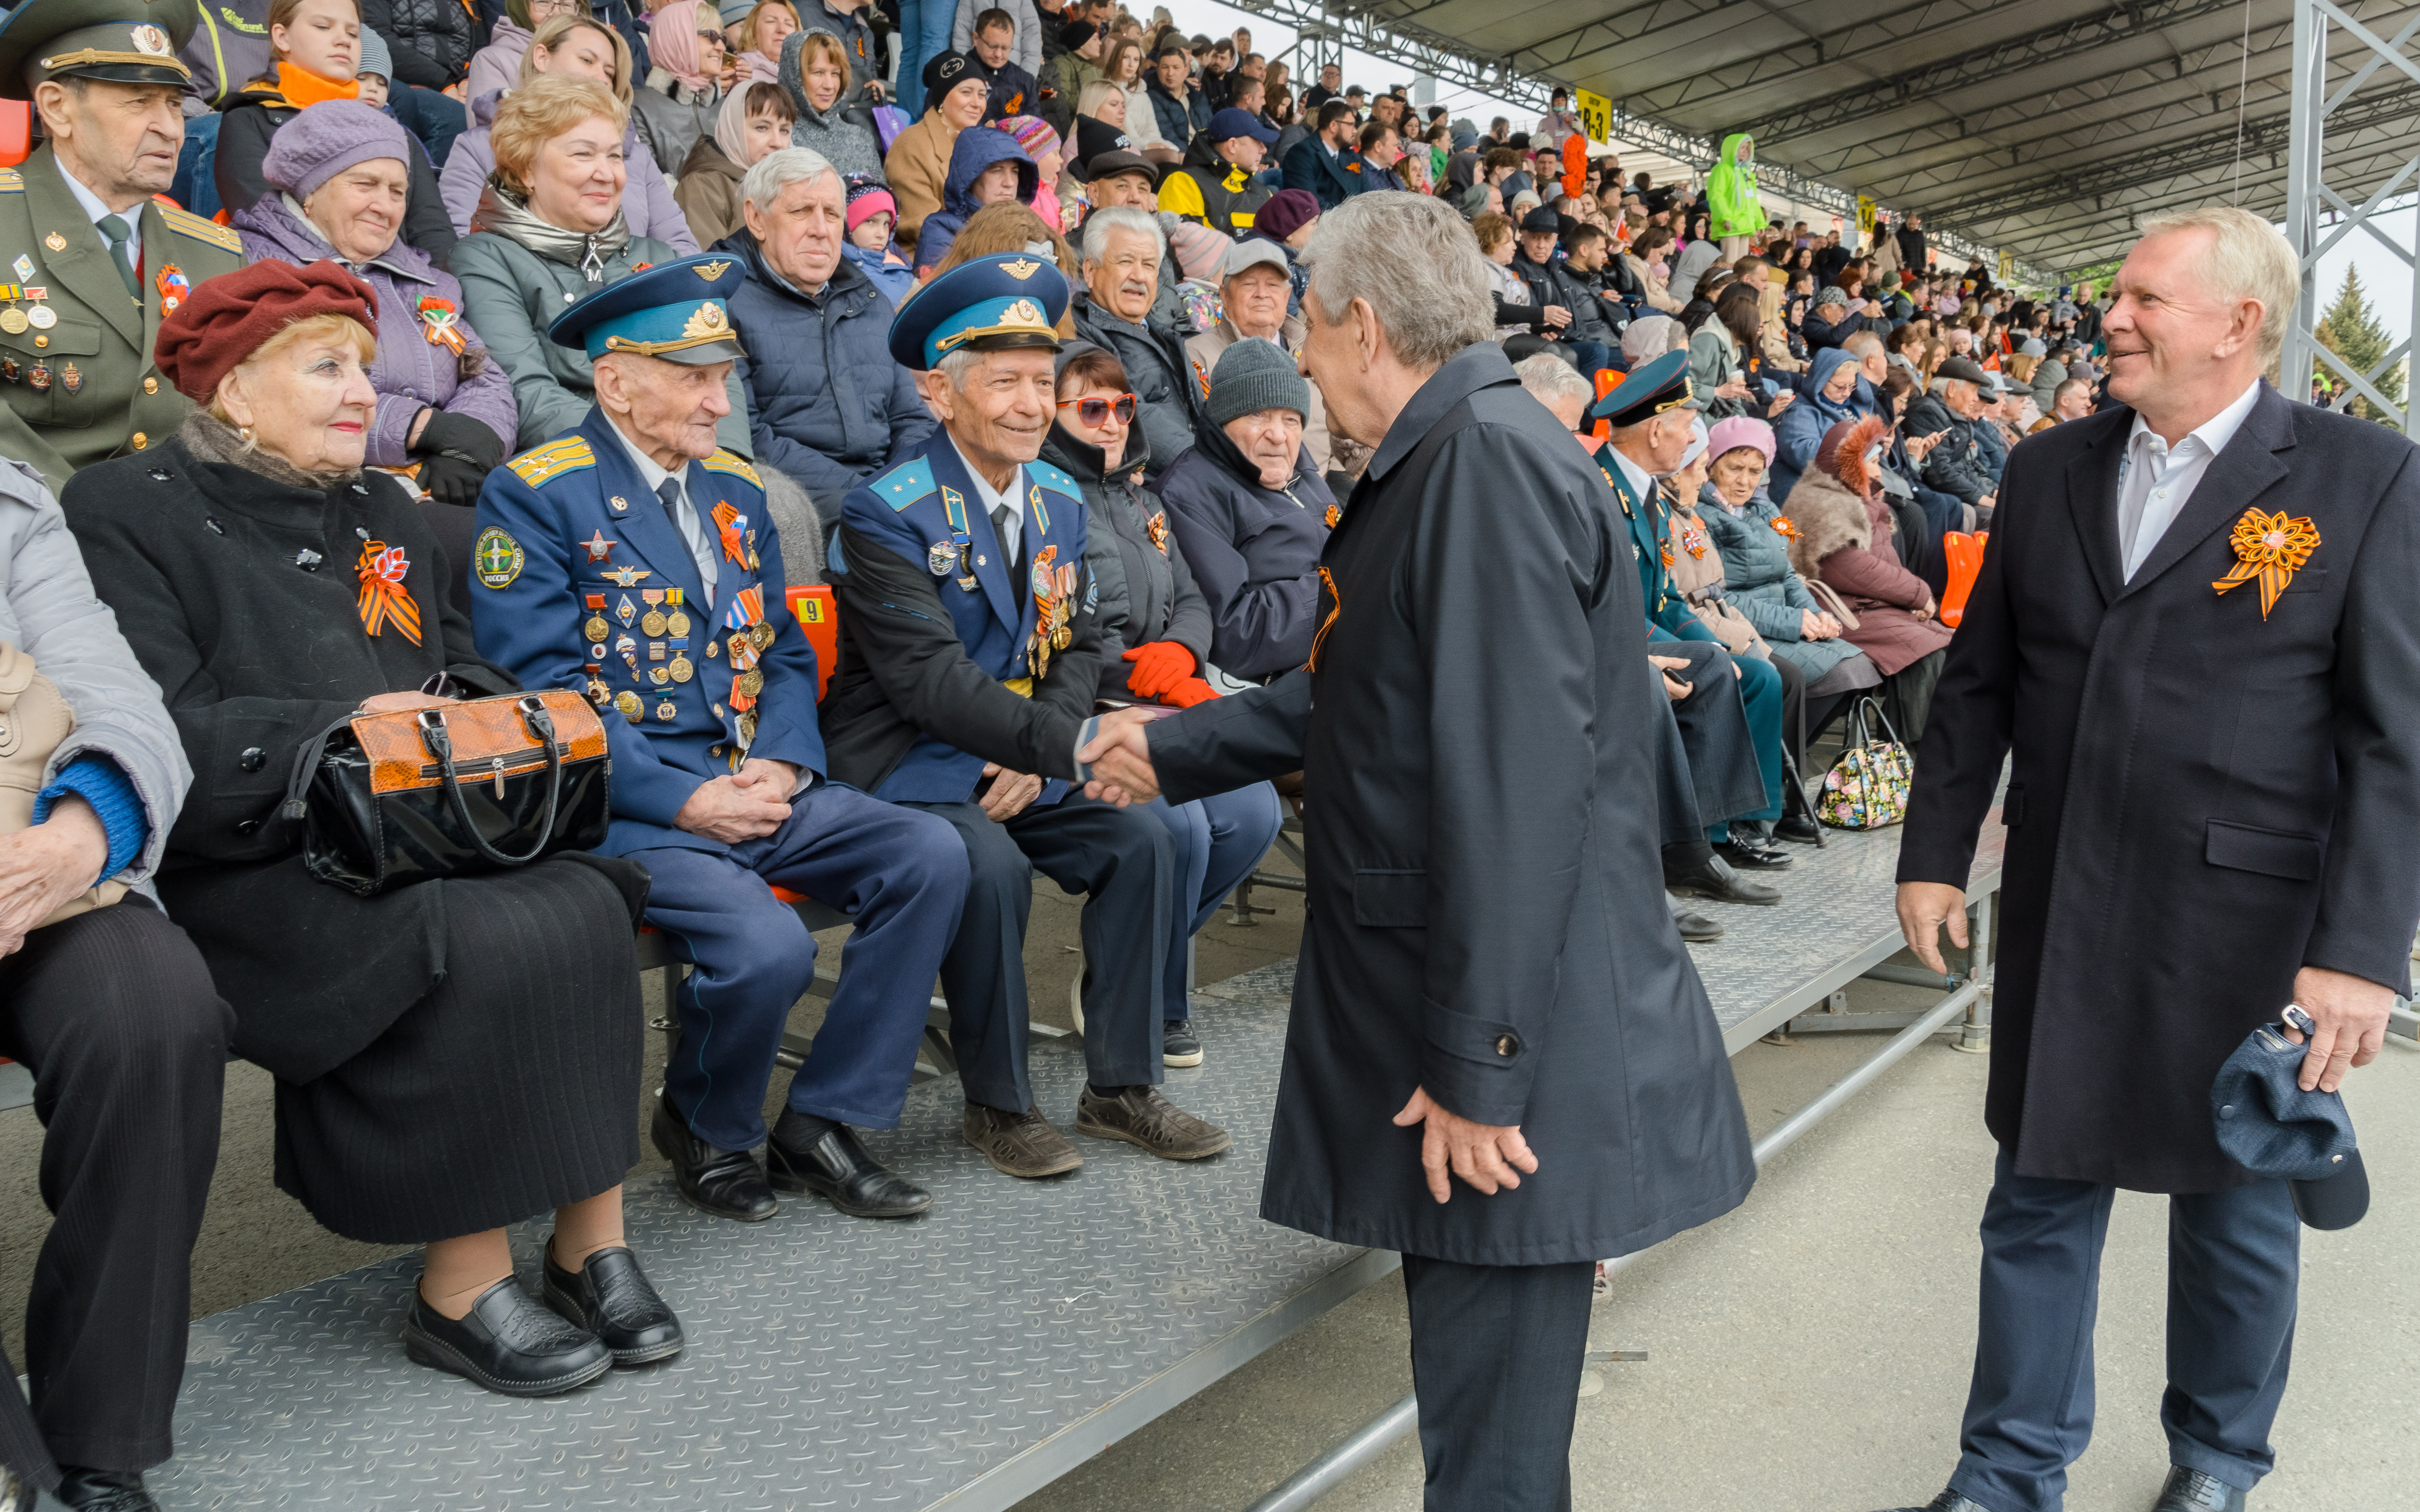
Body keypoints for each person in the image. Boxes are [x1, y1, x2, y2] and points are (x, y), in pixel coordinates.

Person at [1078, 192, 1756, 1512]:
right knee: (1482, 1419)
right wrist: (1171, 750)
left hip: (1504, 1033)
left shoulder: (1479, 470)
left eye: (1309, 340)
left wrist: (1479, 1069)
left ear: (1363, 325)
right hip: (1500, 1005)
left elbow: (1513, 790)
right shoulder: (1463, 453)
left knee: (1491, 1451)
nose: (1300, 371)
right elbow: (1369, 694)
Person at [1879, 206, 2420, 1512]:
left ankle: (2218, 1464)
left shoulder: (2362, 477)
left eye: (2140, 299)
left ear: (2238, 323)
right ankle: (2007, 1473)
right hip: (2065, 900)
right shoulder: (2049, 466)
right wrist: (1934, 852)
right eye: (2112, 296)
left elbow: (2396, 738)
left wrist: (2357, 954)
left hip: (2245, 930)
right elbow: (1978, 687)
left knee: (2233, 1217)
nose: (2107, 318)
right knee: (2035, 1194)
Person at [67, 258, 684, 1401]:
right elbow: (149, 728)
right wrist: (339, 724)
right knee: (479, 936)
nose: (364, 391)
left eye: (364, 364)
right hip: (252, 848)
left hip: (409, 823)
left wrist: (489, 711)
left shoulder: (380, 502)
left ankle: (588, 1241)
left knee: (592, 899)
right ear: (233, 390)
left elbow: (451, 655)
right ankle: (459, 1288)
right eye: (328, 367)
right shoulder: (122, 509)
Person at [467, 254, 965, 1226]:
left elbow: (779, 651)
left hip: (750, 773)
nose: (716, 396)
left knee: (929, 853)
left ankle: (822, 1120)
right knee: (767, 945)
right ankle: (709, 1124)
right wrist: (687, 799)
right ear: (615, 380)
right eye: (691, 374)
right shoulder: (537, 494)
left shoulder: (734, 492)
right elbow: (548, 697)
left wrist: (782, 760)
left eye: (722, 373)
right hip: (628, 803)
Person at [821, 253, 1234, 1179]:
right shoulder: (884, 512)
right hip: (913, 756)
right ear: (938, 393)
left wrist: (1046, 757)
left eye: (1041, 383)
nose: (1027, 404)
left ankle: (1119, 1088)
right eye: (1001, 382)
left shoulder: (1055, 495)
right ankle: (998, 1104)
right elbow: (928, 682)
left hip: (1025, 751)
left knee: (1145, 840)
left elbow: (1080, 639)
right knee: (992, 869)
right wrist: (1064, 744)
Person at [0, 453, 229, 1512]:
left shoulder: (11, 502)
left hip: (28, 871)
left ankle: (102, 1433)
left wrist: (81, 836)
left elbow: (108, 685)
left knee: (153, 1009)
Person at [1041, 340, 1279, 1067]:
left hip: (1164, 694)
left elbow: (1193, 599)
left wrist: (1180, 654)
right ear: (1052, 415)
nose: (1112, 422)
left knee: (1253, 811)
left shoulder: (1145, 498)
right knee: (1187, 829)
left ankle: (1125, 966)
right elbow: (1061, 636)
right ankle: (1156, 998)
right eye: (1090, 407)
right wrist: (1139, 674)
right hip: (1092, 707)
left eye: (1121, 406)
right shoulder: (1046, 501)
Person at [0, 0, 248, 493]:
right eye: (139, 101)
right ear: (56, 107)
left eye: (174, 104)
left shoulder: (217, 254)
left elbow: (235, 424)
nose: (171, 128)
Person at [231, 100, 516, 508]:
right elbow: (279, 390)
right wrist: (421, 427)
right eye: (365, 185)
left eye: (398, 191)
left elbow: (485, 376)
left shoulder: (426, 280)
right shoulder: (253, 265)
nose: (385, 206)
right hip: (308, 493)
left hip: (430, 488)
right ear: (310, 191)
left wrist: (467, 443)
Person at [455, 76, 752, 452]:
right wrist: (654, 452)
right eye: (583, 154)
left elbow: (718, 372)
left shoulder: (659, 258)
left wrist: (728, 465)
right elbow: (525, 393)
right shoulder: (487, 259)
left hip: (692, 457)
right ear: (527, 169)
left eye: (615, 155)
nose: (607, 173)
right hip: (583, 469)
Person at [722, 148, 935, 521]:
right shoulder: (722, 304)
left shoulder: (872, 302)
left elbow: (910, 419)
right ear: (756, 219)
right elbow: (748, 439)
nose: (820, 229)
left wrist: (907, 486)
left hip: (885, 496)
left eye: (833, 214)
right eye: (801, 211)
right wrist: (870, 499)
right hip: (794, 504)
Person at [214, 0, 457, 269]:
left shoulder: (399, 138)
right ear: (282, 37)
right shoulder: (248, 118)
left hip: (400, 289)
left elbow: (433, 234)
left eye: (354, 33)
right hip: (300, 284)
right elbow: (265, 218)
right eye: (323, 26)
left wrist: (438, 304)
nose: (344, 40)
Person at [1153, 337, 1337, 682]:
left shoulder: (1303, 474)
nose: (1279, 435)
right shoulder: (1189, 494)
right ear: (1223, 422)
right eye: (1258, 415)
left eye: (1291, 419)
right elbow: (1236, 635)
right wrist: (1343, 586)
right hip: (1287, 685)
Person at [442, 13, 699, 251]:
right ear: (542, 57)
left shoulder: (638, 156)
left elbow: (678, 245)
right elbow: (466, 246)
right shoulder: (479, 147)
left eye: (610, 73)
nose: (601, 78)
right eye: (587, 60)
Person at [1779, 413, 1952, 741]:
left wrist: (1911, 600)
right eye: (1872, 460)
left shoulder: (1859, 499)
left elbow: (1885, 565)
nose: (1878, 469)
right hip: (1846, 613)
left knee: (1948, 646)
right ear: (1852, 464)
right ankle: (1912, 754)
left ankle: (1930, 746)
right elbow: (1849, 568)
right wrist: (1918, 593)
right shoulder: (1824, 502)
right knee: (1929, 653)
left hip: (1871, 608)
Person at [1186, 237, 1353, 476]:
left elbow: (1344, 425)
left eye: (1273, 285)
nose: (1262, 294)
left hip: (1322, 495)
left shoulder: (1316, 350)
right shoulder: (1196, 354)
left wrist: (1337, 486)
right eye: (1249, 284)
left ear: (1287, 297)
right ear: (1225, 296)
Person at [1069, 206, 1205, 479]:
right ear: (1090, 271)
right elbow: (1131, 413)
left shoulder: (1160, 332)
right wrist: (1214, 468)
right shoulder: (1081, 335)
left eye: (1149, 265)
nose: (1139, 276)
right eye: (1125, 262)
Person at [885, 51, 989, 251]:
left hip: (978, 253)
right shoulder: (912, 144)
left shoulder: (983, 144)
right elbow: (924, 228)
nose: (977, 103)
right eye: (966, 92)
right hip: (931, 262)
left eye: (982, 95)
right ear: (942, 99)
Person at [677, 79, 795, 245]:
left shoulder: (790, 185)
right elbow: (710, 267)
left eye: (784, 130)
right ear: (733, 129)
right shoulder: (702, 187)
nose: (777, 142)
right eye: (762, 128)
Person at [911, 116, 1035, 274]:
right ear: (970, 179)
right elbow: (942, 291)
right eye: (997, 171)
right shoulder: (942, 229)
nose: (1010, 183)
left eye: (1015, 172)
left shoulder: (1029, 225)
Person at [629, 0, 728, 177]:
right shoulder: (639, 106)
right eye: (711, 36)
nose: (721, 47)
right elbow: (650, 183)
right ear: (679, 37)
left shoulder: (728, 106)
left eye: (722, 38)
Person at [778, 25, 885, 181]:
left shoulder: (859, 138)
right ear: (794, 76)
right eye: (818, 73)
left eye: (835, 74)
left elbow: (881, 198)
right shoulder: (778, 137)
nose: (830, 85)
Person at [962, 5, 1037, 122]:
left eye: (1005, 48)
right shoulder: (958, 75)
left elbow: (1036, 127)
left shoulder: (1025, 81)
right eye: (993, 46)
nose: (998, 54)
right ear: (976, 39)